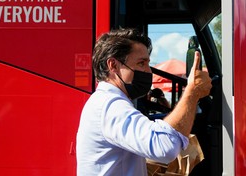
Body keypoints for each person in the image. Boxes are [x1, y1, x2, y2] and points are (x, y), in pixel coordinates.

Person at [76, 28, 212, 176]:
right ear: (113, 65)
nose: (148, 71)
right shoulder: (110, 105)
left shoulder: (107, 101)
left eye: (148, 64)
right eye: (141, 63)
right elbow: (165, 146)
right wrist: (192, 92)